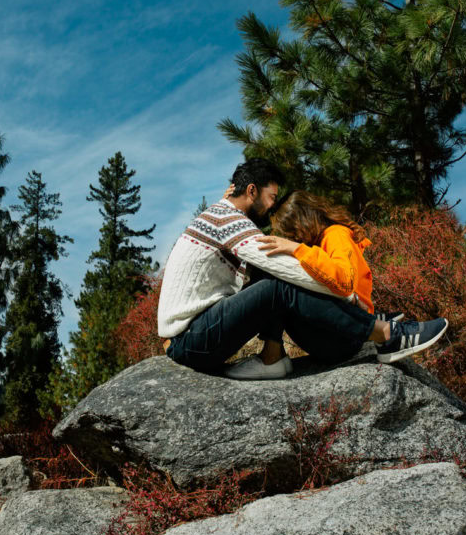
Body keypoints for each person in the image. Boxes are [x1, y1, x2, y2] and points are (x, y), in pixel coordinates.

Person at [157, 158, 448, 379]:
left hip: (195, 335)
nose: (272, 209)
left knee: (270, 277)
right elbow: (289, 272)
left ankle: (273, 357)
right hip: (190, 341)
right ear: (251, 191)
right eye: (271, 198)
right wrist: (346, 299)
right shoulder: (228, 220)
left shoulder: (222, 214)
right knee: (278, 284)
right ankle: (387, 334)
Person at [248, 190, 448, 372]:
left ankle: (391, 334)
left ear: (304, 219)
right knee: (275, 277)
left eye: (293, 230)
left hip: (342, 340)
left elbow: (344, 282)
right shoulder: (320, 242)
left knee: (280, 284)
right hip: (332, 336)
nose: (295, 237)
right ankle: (272, 353)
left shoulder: (335, 235)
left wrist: (296, 250)